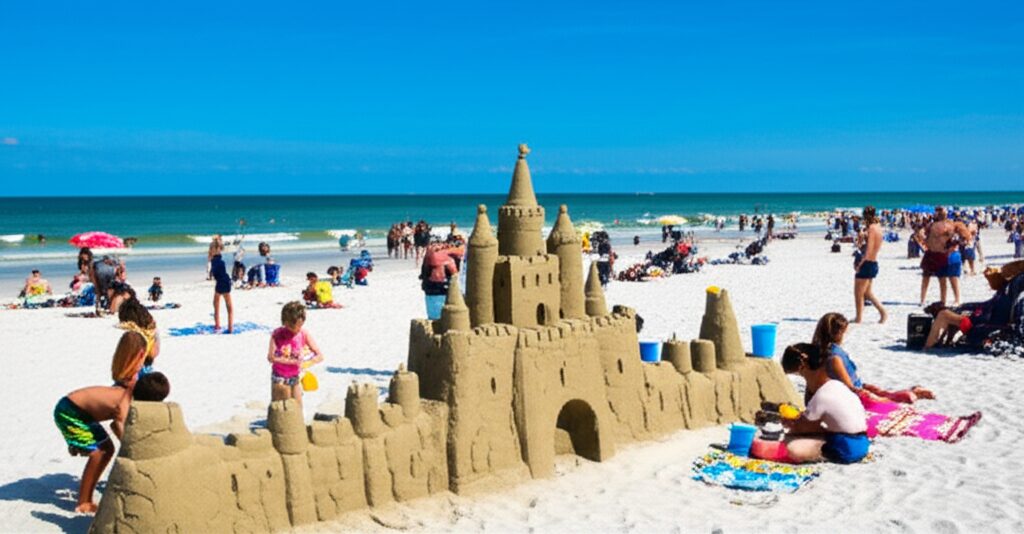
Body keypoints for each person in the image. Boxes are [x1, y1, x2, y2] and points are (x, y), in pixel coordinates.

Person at [52, 331, 147, 513]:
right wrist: (133, 452)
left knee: (105, 449)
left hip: (80, 411)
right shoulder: (125, 394)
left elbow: (115, 424)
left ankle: (79, 447)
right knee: (102, 452)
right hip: (69, 412)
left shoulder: (126, 380)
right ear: (141, 354)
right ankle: (84, 502)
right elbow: (119, 425)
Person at [778, 343, 871, 464]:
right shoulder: (838, 386)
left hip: (845, 447)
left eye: (800, 375)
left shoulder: (822, 394)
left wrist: (791, 423)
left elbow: (801, 428)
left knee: (790, 446)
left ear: (803, 367)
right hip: (862, 443)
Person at [813, 312, 933, 403]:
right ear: (839, 333)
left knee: (885, 394)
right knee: (893, 399)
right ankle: (915, 392)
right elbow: (849, 387)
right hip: (854, 394)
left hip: (858, 387)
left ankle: (914, 391)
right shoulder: (834, 357)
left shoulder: (823, 350)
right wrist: (868, 394)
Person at [268, 302, 324, 406]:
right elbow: (271, 357)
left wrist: (307, 362)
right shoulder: (277, 334)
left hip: (295, 376)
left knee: (297, 409)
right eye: (293, 326)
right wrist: (293, 361)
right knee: (280, 407)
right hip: (279, 376)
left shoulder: (303, 334)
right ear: (285, 322)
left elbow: (320, 356)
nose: (297, 329)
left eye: (300, 326)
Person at [853, 206, 887, 323]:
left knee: (858, 293)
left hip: (867, 262)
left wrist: (860, 264)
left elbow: (868, 251)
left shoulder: (872, 228)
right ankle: (883, 313)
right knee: (867, 292)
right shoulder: (878, 227)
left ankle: (859, 318)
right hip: (873, 262)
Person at [920, 206, 955, 306]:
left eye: (940, 212)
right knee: (927, 277)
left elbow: (953, 239)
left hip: (939, 253)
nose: (938, 214)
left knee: (941, 279)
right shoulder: (932, 225)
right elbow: (922, 234)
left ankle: (942, 301)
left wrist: (949, 249)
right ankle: (923, 299)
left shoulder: (948, 226)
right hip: (932, 253)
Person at [210, 242, 234, 333]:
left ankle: (218, 325)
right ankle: (230, 327)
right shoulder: (220, 261)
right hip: (225, 281)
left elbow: (213, 273)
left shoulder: (215, 261)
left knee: (217, 304)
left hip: (221, 282)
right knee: (228, 306)